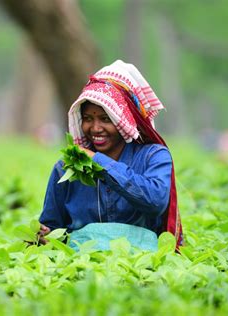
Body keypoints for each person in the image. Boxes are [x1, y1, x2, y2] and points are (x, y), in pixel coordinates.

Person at [38, 60, 183, 251]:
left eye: (106, 119)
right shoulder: (65, 168)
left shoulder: (154, 156)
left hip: (142, 267)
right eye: (88, 119)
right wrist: (44, 235)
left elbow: (155, 201)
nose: (95, 128)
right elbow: (52, 226)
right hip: (81, 267)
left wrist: (98, 161)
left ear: (124, 119)